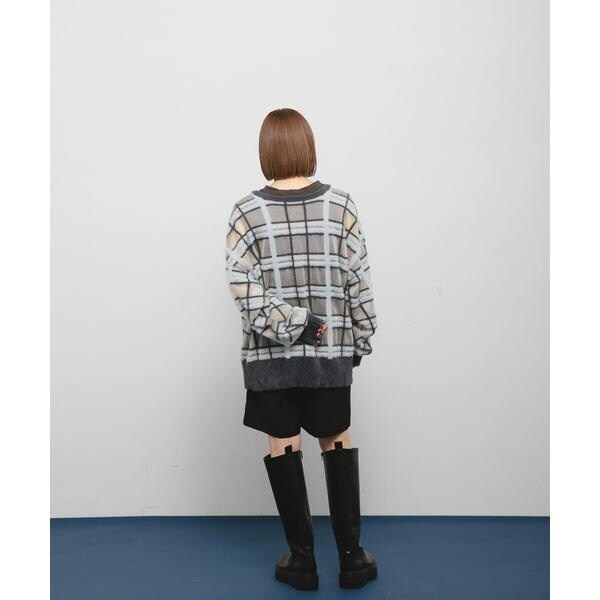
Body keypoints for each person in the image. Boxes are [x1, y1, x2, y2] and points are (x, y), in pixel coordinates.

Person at [224, 107, 378, 590]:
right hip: (330, 355)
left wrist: (290, 325)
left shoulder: (246, 212)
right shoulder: (342, 206)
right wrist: (355, 337)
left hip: (270, 360)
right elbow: (359, 282)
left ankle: (302, 561)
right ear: (308, 146)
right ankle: (352, 559)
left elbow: (243, 289)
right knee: (337, 439)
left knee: (283, 444)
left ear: (266, 151)